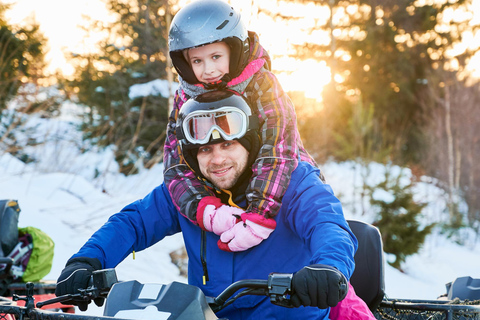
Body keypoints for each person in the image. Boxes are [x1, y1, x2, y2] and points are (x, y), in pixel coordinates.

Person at [55, 91, 359, 319]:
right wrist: (88, 261)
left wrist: (328, 268)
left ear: (249, 144)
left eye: (228, 145)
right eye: (205, 149)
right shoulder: (190, 195)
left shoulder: (291, 183)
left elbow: (328, 225)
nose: (217, 160)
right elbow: (133, 223)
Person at [164, 0, 320, 252]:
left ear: (234, 50)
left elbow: (278, 146)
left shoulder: (263, 84)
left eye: (216, 57)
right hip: (226, 182)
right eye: (197, 61)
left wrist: (260, 213)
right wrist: (203, 207)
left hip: (279, 178)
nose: (208, 70)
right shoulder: (186, 96)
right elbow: (175, 159)